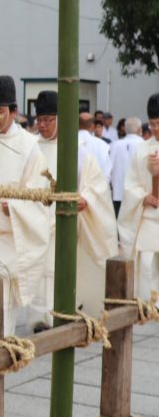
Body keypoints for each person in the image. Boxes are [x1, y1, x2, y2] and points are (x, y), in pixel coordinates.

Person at [32, 91, 117, 326]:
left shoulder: (76, 148)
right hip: (36, 221)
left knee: (62, 268)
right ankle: (40, 319)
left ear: (60, 119)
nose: (42, 126)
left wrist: (87, 198)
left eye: (48, 120)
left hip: (66, 221)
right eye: (39, 120)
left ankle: (63, 312)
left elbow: (96, 182)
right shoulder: (31, 147)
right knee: (41, 273)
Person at [0, 77, 50, 336]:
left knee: (2, 310)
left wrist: (16, 207)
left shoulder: (29, 146)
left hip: (9, 240)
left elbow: (38, 194)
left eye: (0, 111)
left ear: (14, 111)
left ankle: (0, 347)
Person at [116, 95, 159, 300]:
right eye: (152, 124)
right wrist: (143, 197)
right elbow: (130, 184)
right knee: (146, 264)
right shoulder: (142, 148)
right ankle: (147, 305)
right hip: (148, 217)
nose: (156, 129)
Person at [111, 117, 144, 218]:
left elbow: (110, 168)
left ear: (125, 129)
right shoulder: (144, 145)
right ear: (140, 129)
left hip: (118, 192)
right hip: (139, 194)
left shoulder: (114, 145)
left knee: (119, 223)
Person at [78, 112, 112, 185]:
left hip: (72, 191)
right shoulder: (103, 145)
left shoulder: (68, 142)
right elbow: (107, 174)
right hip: (96, 189)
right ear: (93, 126)